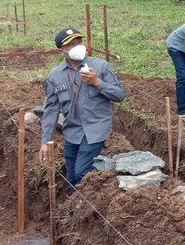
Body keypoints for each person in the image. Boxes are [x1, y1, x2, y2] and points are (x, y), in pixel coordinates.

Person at [39, 29, 126, 186]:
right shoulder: (56, 75)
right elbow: (51, 110)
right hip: (72, 130)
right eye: (71, 45)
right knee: (72, 174)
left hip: (96, 128)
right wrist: (45, 142)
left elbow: (120, 94)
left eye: (79, 42)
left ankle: (94, 199)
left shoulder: (101, 67)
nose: (77, 46)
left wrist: (97, 82)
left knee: (82, 171)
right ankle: (76, 207)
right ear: (61, 50)